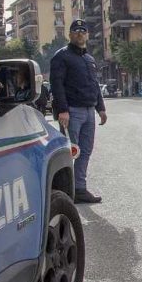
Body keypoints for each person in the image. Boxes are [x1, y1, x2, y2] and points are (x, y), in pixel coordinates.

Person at [51, 19, 107, 204]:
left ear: (87, 35)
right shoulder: (62, 56)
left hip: (89, 111)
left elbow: (94, 85)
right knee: (69, 152)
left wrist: (101, 108)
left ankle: (79, 189)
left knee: (85, 151)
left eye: (83, 31)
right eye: (76, 30)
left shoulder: (89, 59)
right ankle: (64, 191)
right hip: (72, 112)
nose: (80, 33)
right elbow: (57, 85)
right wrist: (63, 110)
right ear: (70, 34)